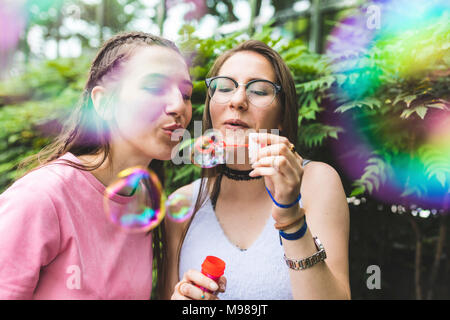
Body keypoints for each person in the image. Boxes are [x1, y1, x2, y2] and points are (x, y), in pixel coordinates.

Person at [0, 31, 193, 299]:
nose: (178, 106)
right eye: (155, 87)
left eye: (185, 93)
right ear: (103, 102)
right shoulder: (41, 198)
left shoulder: (143, 205)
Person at [165, 40, 350, 300]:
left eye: (260, 91)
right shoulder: (183, 204)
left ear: (283, 117)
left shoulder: (317, 182)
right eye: (225, 87)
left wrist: (291, 215)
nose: (238, 100)